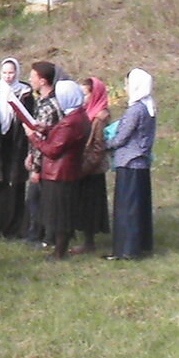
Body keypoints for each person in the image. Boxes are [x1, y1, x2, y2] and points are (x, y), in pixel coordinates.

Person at [24, 80, 89, 259]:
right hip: (67, 171)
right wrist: (45, 129)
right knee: (62, 213)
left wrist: (33, 138)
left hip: (59, 173)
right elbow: (60, 136)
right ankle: (59, 250)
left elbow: (52, 150)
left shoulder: (71, 121)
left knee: (60, 215)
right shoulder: (77, 116)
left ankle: (59, 252)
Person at [105, 68, 156, 261]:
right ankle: (140, 244)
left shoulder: (135, 110)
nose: (125, 88)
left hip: (129, 162)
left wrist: (103, 144)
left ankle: (126, 249)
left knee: (127, 209)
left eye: (127, 83)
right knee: (138, 207)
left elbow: (121, 137)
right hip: (141, 162)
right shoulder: (148, 107)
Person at [0, 58, 34, 240]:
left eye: (11, 73)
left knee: (15, 184)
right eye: (5, 73)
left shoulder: (25, 93)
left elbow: (29, 119)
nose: (8, 76)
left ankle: (14, 227)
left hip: (16, 144)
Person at [24, 61, 61, 247]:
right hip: (40, 158)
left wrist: (37, 167)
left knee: (38, 202)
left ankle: (44, 238)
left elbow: (42, 138)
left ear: (43, 81)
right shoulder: (41, 101)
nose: (31, 80)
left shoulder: (49, 106)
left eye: (33, 77)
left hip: (46, 162)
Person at [74, 76, 111, 255]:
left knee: (90, 205)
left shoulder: (100, 117)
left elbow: (98, 147)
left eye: (85, 94)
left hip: (91, 169)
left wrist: (85, 167)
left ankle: (89, 241)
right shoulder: (85, 112)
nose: (82, 99)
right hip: (82, 166)